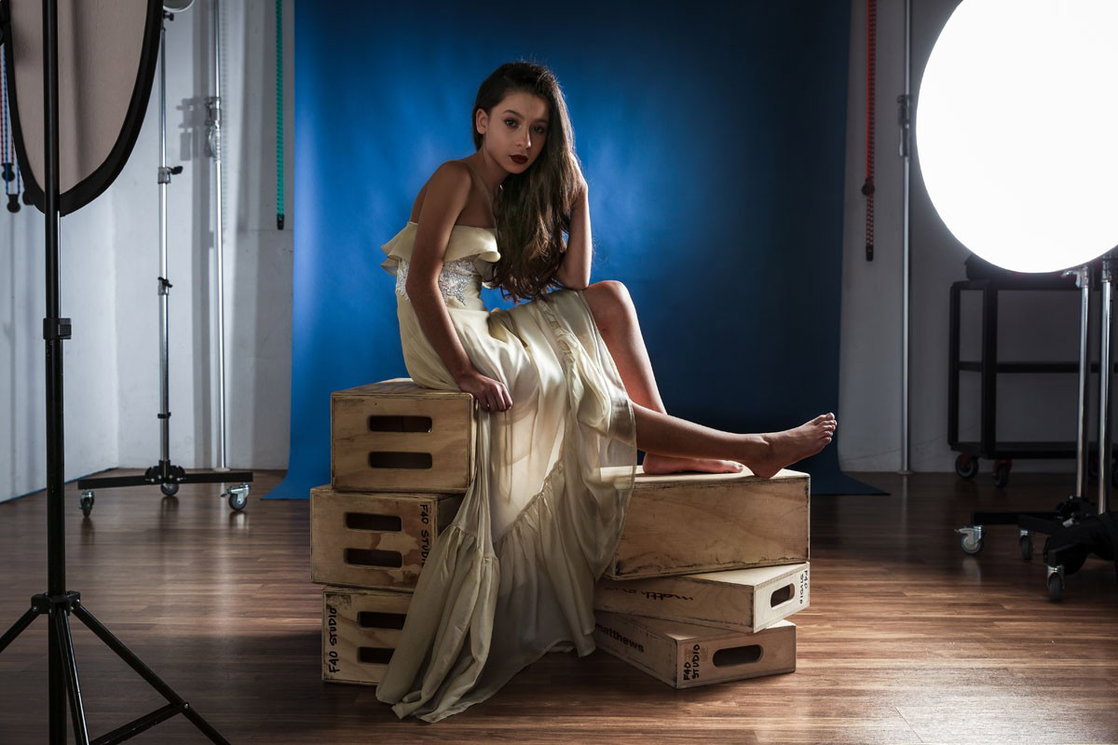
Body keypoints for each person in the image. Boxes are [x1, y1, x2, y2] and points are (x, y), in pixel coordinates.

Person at [375, 61, 836, 722]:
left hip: (475, 325)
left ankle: (671, 448)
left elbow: (575, 281)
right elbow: (421, 283)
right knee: (580, 386)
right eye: (511, 123)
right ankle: (753, 447)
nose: (524, 141)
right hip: (446, 338)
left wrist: (582, 196)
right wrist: (468, 374)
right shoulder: (456, 177)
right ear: (481, 122)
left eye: (538, 130)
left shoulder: (510, 191)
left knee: (609, 298)